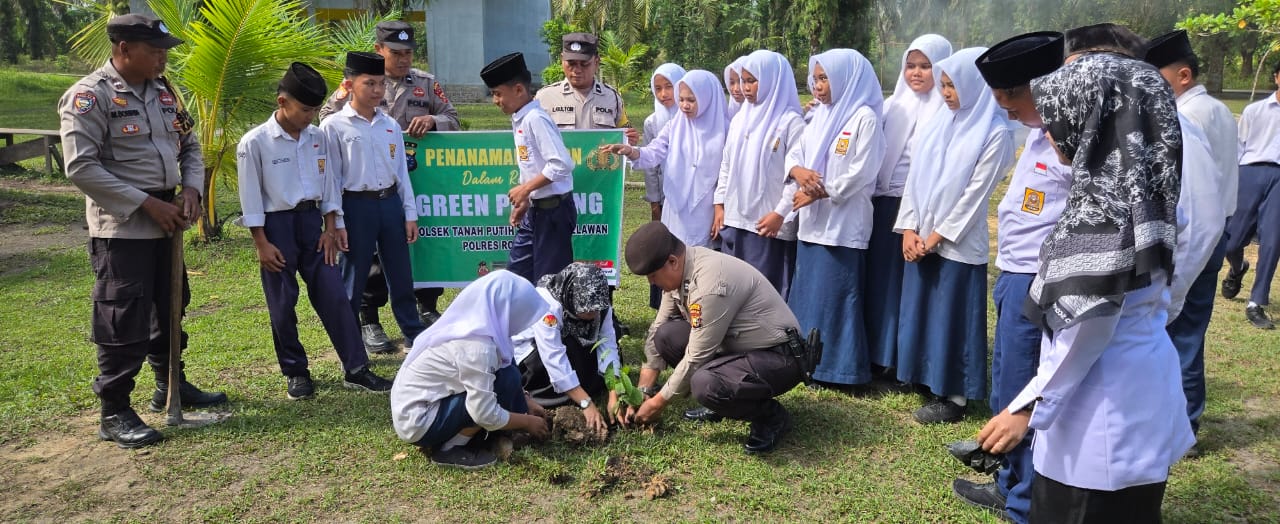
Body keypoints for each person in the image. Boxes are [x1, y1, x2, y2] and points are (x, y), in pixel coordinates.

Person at [978, 42, 1194, 522]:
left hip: (1097, 417)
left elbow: (1086, 329)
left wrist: (1028, 408)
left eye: (1059, 116)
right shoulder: (1151, 192)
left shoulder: (1099, 215)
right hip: (1143, 391)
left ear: (1089, 118)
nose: (1051, 130)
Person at [59, 13, 227, 448]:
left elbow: (189, 144)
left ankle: (169, 385)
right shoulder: (88, 97)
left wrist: (190, 188)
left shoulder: (165, 92)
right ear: (123, 49)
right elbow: (80, 167)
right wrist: (147, 203)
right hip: (123, 227)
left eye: (164, 52)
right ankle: (114, 411)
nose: (162, 59)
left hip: (168, 217)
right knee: (122, 317)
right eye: (154, 52)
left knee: (171, 304)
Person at [953, 31, 1066, 523]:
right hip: (1014, 275)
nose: (1005, 108)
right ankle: (1007, 479)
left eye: (1011, 97)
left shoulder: (1070, 141)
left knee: (1025, 391)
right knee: (1008, 386)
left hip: (1039, 281)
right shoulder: (1038, 133)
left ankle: (1022, 500)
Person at [236, 63, 394, 399]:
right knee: (282, 304)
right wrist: (261, 243)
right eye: (304, 109)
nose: (310, 116)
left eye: (313, 109)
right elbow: (250, 197)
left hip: (314, 226)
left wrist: (330, 226)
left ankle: (356, 368)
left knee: (334, 296)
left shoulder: (317, 137)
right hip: (275, 226)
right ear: (282, 102)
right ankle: (296, 372)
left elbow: (329, 183)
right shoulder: (256, 143)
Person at [320, 21, 462, 353]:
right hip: (357, 193)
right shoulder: (355, 87)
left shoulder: (425, 84)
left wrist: (433, 121)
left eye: (408, 53)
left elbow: (452, 118)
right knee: (362, 266)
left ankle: (419, 318)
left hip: (406, 186)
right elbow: (327, 118)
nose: (403, 59)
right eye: (395, 53)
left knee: (404, 263)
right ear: (379, 50)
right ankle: (366, 323)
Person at [893, 46, 1014, 424]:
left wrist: (936, 237)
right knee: (925, 311)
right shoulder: (940, 123)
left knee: (953, 317)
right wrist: (909, 229)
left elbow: (974, 197)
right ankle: (926, 379)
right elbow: (915, 180)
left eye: (952, 85)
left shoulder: (995, 134)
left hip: (957, 244)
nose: (945, 93)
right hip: (922, 238)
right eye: (943, 86)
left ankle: (955, 397)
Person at [622, 222, 804, 454]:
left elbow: (696, 357)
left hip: (779, 357)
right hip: (741, 349)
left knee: (705, 383)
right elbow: (657, 330)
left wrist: (657, 403)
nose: (651, 282)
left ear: (672, 261)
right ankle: (723, 403)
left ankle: (770, 416)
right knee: (665, 336)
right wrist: (643, 391)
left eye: (653, 275)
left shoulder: (709, 284)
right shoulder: (683, 270)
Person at [1146, 29, 1238, 434]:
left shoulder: (1187, 115)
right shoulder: (1217, 108)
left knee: (1178, 333)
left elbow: (1195, 197)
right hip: (1214, 228)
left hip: (1197, 233)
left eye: (1156, 78)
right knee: (1189, 333)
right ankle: (1185, 419)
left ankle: (1182, 423)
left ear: (1183, 76)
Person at [783, 49, 885, 390]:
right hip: (812, 223)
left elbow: (863, 171)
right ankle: (807, 365)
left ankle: (841, 370)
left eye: (825, 78)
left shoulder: (864, 118)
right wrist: (797, 171)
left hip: (843, 224)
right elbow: (796, 153)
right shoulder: (819, 117)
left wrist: (819, 190)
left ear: (847, 78)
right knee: (811, 295)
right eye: (816, 78)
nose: (818, 86)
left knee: (839, 298)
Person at [320, 51, 427, 352]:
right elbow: (330, 180)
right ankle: (349, 339)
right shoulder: (334, 127)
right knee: (353, 276)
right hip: (356, 206)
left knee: (401, 273)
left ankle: (412, 332)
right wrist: (336, 221)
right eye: (370, 83)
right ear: (349, 85)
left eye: (381, 84)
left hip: (390, 203)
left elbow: (401, 173)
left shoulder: (390, 125)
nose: (378, 90)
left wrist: (409, 213)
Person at [391, 270, 551, 470]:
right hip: (419, 422)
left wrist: (526, 401)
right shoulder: (477, 346)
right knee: (499, 386)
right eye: (522, 315)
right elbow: (484, 412)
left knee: (508, 375)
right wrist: (527, 422)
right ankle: (450, 448)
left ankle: (483, 434)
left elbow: (504, 373)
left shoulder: (476, 325)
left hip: (431, 405)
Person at [867, 34, 952, 381]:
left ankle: (902, 357)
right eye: (911, 66)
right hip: (884, 200)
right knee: (881, 282)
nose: (916, 73)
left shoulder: (946, 111)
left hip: (919, 206)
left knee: (909, 285)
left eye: (926, 66)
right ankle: (878, 352)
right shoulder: (893, 105)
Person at [714, 49, 805, 299]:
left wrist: (780, 213)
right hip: (735, 218)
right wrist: (719, 203)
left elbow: (796, 177)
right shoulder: (740, 118)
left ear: (772, 81)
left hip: (767, 224)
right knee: (733, 290)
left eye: (752, 80)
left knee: (765, 292)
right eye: (743, 80)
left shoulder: (791, 122)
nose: (745, 87)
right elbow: (727, 165)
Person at [601, 70, 727, 249]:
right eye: (681, 99)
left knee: (702, 261)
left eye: (691, 100)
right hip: (676, 206)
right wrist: (631, 151)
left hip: (707, 209)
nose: (685, 106)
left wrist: (719, 206)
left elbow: (727, 173)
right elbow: (653, 152)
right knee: (674, 257)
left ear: (707, 98)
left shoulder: (725, 130)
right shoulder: (676, 125)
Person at [481, 52, 576, 283]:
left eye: (498, 94)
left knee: (549, 283)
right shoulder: (521, 118)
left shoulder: (535, 119)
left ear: (519, 90)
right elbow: (533, 165)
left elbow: (562, 163)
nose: (495, 101)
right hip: (536, 210)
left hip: (553, 213)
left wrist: (524, 190)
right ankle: (521, 319)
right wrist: (526, 198)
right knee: (517, 275)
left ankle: (551, 319)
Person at [513, 263, 621, 435]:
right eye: (586, 311)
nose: (593, 315)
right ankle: (570, 391)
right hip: (535, 357)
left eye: (596, 311)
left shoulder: (602, 304)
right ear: (571, 297)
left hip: (570, 349)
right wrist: (586, 403)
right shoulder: (547, 305)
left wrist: (615, 392)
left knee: (612, 342)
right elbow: (552, 356)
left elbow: (608, 343)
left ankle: (575, 388)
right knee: (570, 348)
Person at [1221, 60, 1280, 330]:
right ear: (1277, 78)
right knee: (1231, 240)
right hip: (1250, 172)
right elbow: (1238, 147)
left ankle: (1256, 302)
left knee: (1272, 239)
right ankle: (1237, 268)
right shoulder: (1255, 110)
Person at [536, 32, 638, 144]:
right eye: (571, 63)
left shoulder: (612, 97)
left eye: (584, 64)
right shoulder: (544, 98)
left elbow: (624, 134)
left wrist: (630, 138)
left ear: (596, 62)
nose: (577, 70)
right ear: (562, 60)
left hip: (598, 161)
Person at [641, 63, 686, 222]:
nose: (663, 94)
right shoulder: (651, 123)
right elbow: (650, 168)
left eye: (669, 86)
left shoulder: (694, 118)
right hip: (665, 196)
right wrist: (654, 202)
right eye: (658, 89)